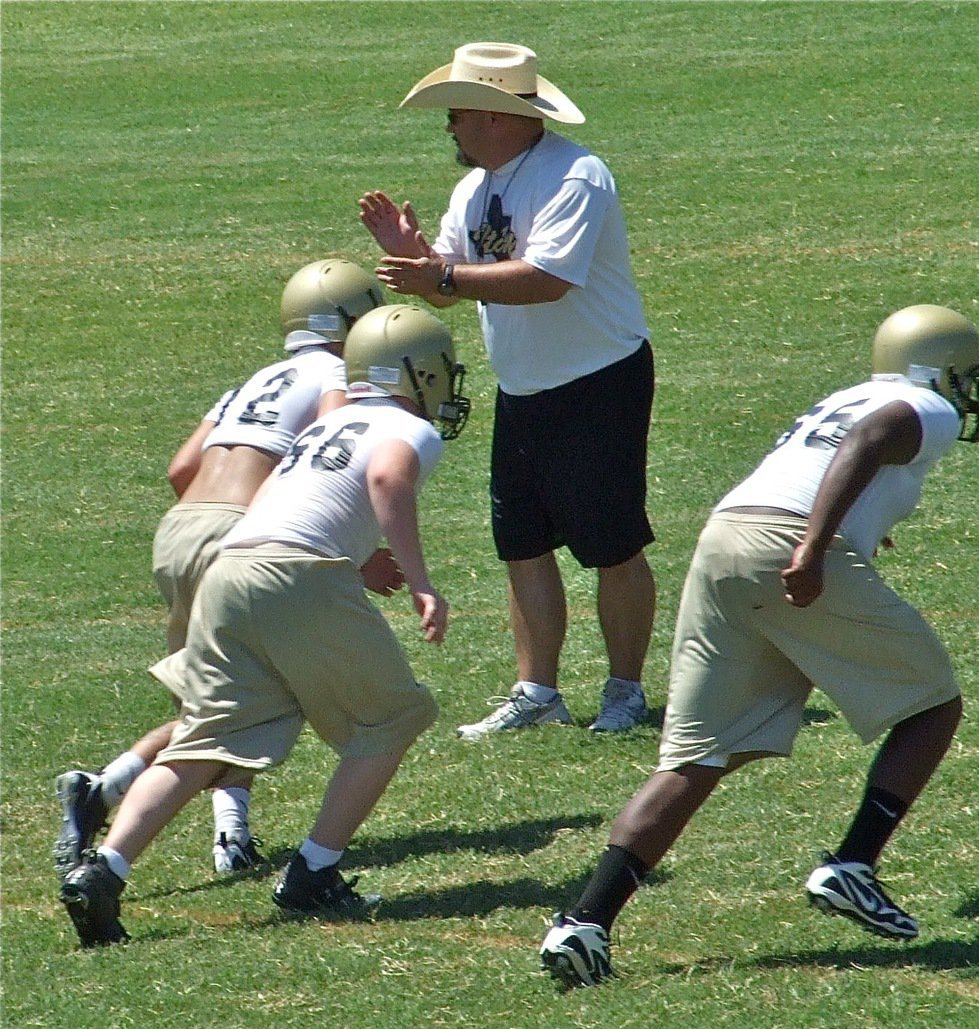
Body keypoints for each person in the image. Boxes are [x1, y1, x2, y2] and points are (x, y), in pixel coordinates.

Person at [538, 305, 979, 986]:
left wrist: (845, 529)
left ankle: (584, 922)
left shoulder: (849, 392)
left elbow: (826, 459)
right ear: (941, 369)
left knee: (696, 756)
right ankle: (854, 864)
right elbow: (873, 439)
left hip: (726, 538)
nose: (971, 390)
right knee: (933, 705)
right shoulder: (920, 404)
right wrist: (814, 545)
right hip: (788, 547)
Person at [58, 303, 472, 948]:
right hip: (296, 574)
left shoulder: (329, 422)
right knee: (393, 719)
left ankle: (103, 870)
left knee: (206, 737)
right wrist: (420, 581)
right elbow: (387, 477)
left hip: (232, 567)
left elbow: (290, 491)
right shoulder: (405, 426)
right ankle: (314, 870)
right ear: (417, 373)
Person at [358, 41, 656, 738]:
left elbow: (547, 279)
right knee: (520, 542)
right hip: (524, 388)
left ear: (496, 116)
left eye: (458, 114)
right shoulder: (475, 188)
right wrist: (416, 257)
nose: (451, 129)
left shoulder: (574, 176)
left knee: (611, 545)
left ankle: (626, 690)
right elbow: (455, 282)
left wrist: (442, 277)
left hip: (598, 382)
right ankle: (537, 691)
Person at [52, 259, 386, 879]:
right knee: (253, 696)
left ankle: (215, 829)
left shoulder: (256, 379)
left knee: (215, 699)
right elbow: (327, 462)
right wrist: (354, 555)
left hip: (180, 529)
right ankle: (116, 794)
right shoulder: (337, 372)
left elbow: (182, 469)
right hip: (244, 534)